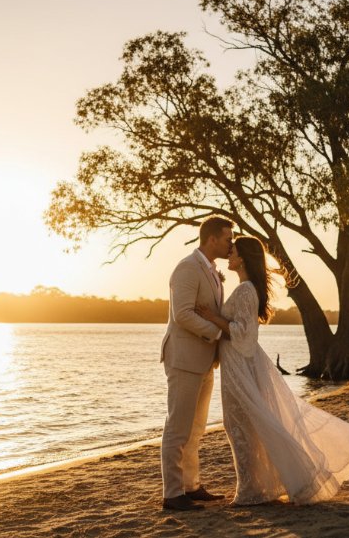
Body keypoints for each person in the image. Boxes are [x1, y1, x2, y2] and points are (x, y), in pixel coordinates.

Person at [196, 235, 349, 505]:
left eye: (233, 251)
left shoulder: (246, 290)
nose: (228, 254)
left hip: (239, 363)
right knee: (246, 424)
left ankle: (252, 490)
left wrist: (212, 317)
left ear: (243, 258)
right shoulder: (246, 288)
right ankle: (254, 486)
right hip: (240, 362)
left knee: (242, 425)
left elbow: (243, 334)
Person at [159, 216, 234, 511]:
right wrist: (218, 333)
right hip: (184, 358)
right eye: (228, 239)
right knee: (178, 427)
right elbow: (183, 315)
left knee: (196, 428)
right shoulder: (187, 268)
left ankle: (191, 486)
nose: (231, 244)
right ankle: (172, 493)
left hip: (204, 360)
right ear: (212, 239)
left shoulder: (212, 270)